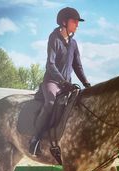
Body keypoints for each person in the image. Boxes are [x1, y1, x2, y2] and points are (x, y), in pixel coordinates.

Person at [29, 7, 90, 156]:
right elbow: (50, 65)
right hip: (52, 82)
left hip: (66, 84)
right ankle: (35, 139)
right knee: (50, 103)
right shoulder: (54, 38)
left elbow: (78, 66)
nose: (77, 25)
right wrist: (63, 82)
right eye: (74, 21)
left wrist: (87, 84)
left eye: (78, 22)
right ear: (64, 22)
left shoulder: (73, 43)